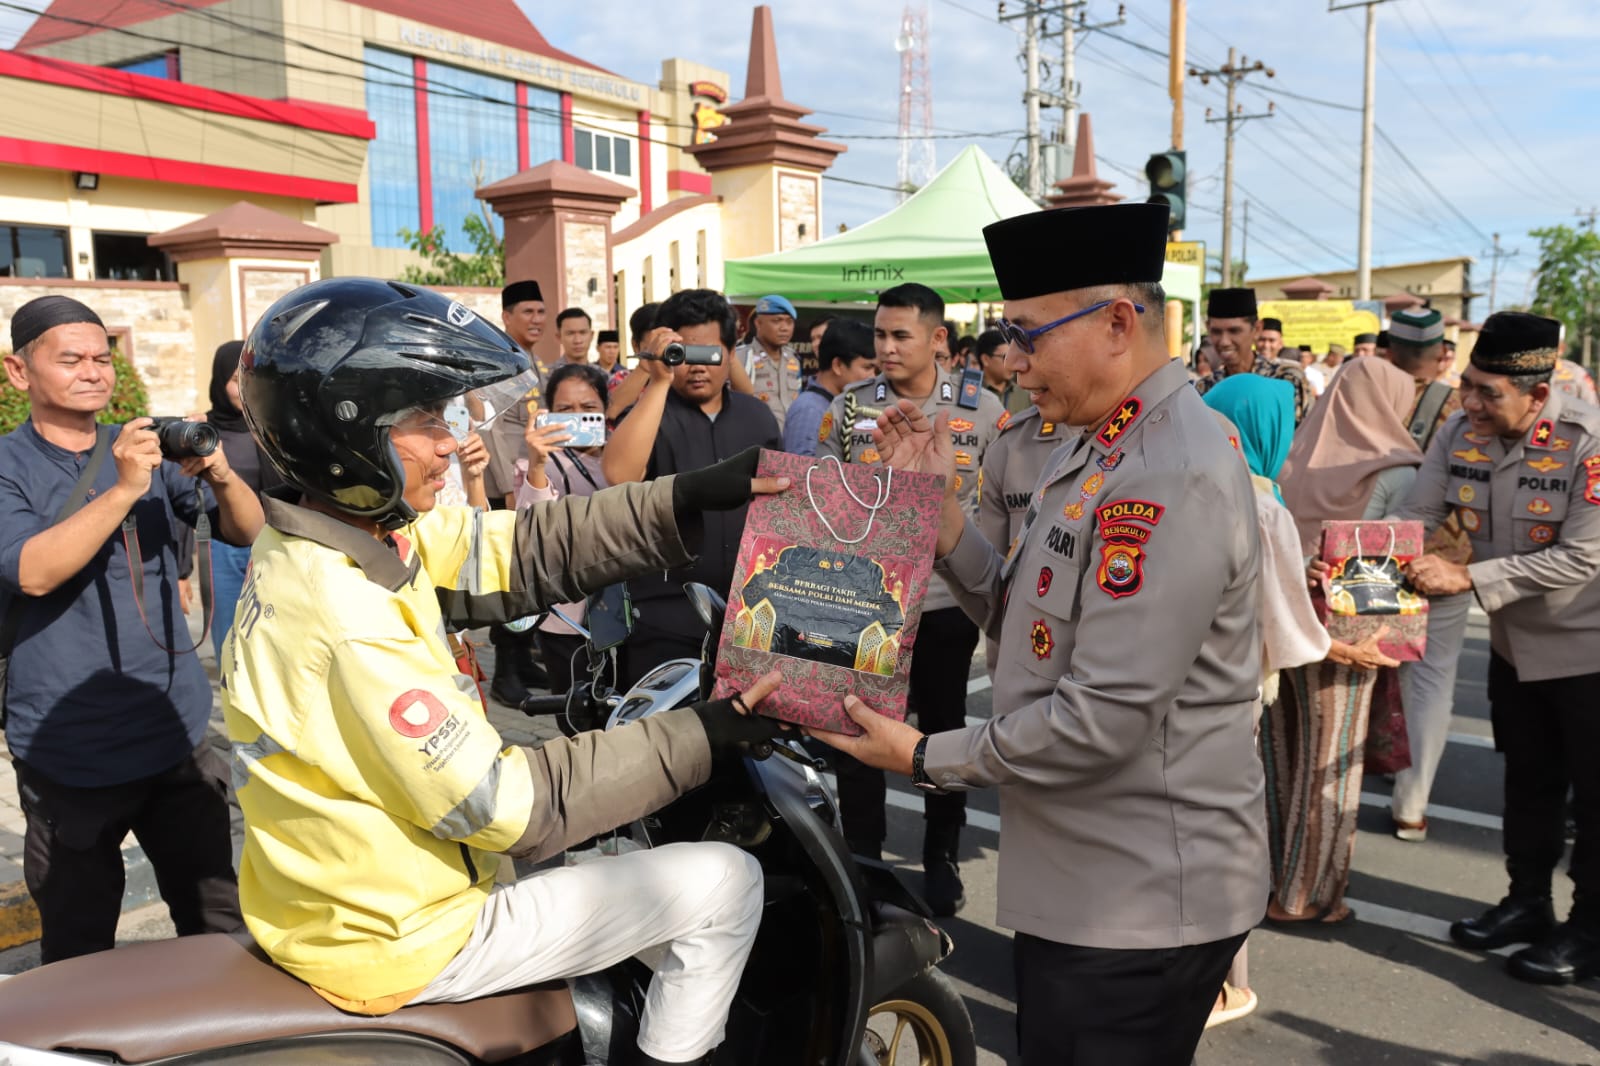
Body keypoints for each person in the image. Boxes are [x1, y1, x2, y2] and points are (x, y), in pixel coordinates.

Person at [224, 277, 790, 1065]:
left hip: (359, 896)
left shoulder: (344, 536)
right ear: (346, 432)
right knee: (725, 881)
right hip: (402, 933)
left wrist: (684, 497)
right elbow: (505, 805)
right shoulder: (341, 613)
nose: (450, 441)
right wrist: (703, 736)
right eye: (424, 421)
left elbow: (518, 550)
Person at [814, 203, 1268, 1065]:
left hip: (1135, 895)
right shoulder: (1098, 442)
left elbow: (1103, 718)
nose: (1011, 363)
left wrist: (921, 756)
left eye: (1027, 336)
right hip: (1087, 875)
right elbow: (1029, 620)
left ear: (1117, 323)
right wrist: (940, 514)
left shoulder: (1169, 471)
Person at [0, 295, 265, 962]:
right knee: (81, 938)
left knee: (216, 918)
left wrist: (221, 473)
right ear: (18, 372)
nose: (93, 371)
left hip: (173, 730)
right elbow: (32, 571)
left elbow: (249, 532)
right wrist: (122, 489)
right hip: (70, 746)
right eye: (70, 359)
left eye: (102, 357)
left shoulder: (139, 445)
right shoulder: (12, 466)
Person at [1396, 311, 1600, 986]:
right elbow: (1421, 518)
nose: (1471, 404)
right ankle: (1527, 904)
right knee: (1528, 781)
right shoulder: (1459, 430)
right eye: (1468, 387)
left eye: (1490, 393)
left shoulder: (1587, 441)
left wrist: (1468, 576)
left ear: (1537, 395)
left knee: (1594, 800)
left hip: (1588, 649)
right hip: (1518, 645)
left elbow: (1583, 557)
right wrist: (1357, 572)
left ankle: (1591, 931)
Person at [1200, 374, 1397, 1026]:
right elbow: (1282, 630)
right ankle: (1228, 985)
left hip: (1175, 697)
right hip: (1229, 702)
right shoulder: (1262, 503)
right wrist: (1343, 648)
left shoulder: (1182, 483)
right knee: (1226, 841)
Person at [818, 282, 1005, 917]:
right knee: (858, 732)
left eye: (901, 335)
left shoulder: (981, 409)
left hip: (946, 603)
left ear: (937, 339)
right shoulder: (851, 407)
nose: (888, 348)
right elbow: (826, 490)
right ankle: (863, 857)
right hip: (869, 603)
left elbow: (996, 508)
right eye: (880, 335)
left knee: (944, 733)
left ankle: (942, 859)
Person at [1270, 357, 1422, 924]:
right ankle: (1308, 896)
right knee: (1330, 768)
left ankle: (1273, 882)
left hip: (1289, 626)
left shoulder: (1294, 456)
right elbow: (1393, 563)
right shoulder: (1399, 470)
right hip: (1352, 632)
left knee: (1282, 760)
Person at [604, 289, 782, 688]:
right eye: (685, 355)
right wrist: (657, 377)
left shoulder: (757, 418)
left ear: (731, 353)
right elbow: (618, 474)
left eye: (709, 354)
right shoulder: (651, 414)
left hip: (749, 614)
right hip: (664, 614)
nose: (697, 368)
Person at [1383, 307, 1472, 841]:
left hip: (1377, 552)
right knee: (1432, 680)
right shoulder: (1465, 409)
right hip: (1447, 559)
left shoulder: (1368, 393)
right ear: (1442, 352)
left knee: (1373, 670)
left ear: (1390, 349)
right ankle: (1410, 806)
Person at [516, 362, 612, 697]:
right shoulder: (534, 465)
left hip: (624, 610)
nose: (577, 419)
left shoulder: (627, 455)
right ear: (548, 415)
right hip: (566, 615)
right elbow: (531, 531)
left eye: (588, 409)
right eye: (565, 411)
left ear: (605, 409)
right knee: (574, 712)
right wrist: (538, 464)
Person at [198, 340, 285, 655]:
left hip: (278, 538)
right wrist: (182, 572)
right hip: (224, 545)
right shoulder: (202, 431)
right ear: (220, 383)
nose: (244, 388)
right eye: (236, 380)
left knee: (276, 632)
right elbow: (184, 497)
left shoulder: (274, 426)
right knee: (229, 634)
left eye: (250, 377)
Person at [1193, 287, 1313, 424]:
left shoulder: (1286, 379)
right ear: (1208, 328)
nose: (1224, 342)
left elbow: (1306, 434)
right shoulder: (1206, 388)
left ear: (1257, 329)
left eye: (1234, 331)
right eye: (1216, 332)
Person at [781, 318, 877, 457]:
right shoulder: (810, 410)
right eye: (868, 367)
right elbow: (803, 473)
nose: (873, 377)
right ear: (838, 365)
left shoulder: (839, 404)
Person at [737, 294, 802, 429]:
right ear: (758, 323)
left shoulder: (793, 360)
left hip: (789, 441)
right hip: (756, 439)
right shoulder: (742, 357)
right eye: (777, 321)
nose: (784, 328)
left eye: (789, 322)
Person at [975, 329, 1028, 414]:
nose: (1011, 363)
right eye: (1005, 357)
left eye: (1013, 357)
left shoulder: (1025, 395)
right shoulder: (972, 394)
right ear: (985, 359)